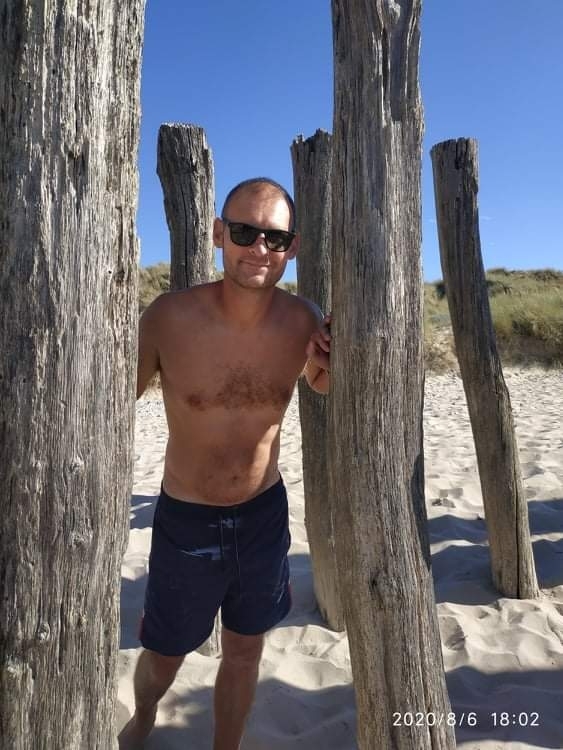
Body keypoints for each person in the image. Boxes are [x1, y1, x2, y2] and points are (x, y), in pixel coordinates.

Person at [119, 177, 331, 750]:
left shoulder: (302, 319)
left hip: (263, 515)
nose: (259, 248)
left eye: (275, 238)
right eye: (243, 232)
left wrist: (335, 363)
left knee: (244, 651)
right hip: (187, 521)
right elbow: (110, 403)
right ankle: (143, 717)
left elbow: (321, 381)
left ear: (293, 247)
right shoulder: (168, 318)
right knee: (165, 653)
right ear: (218, 234)